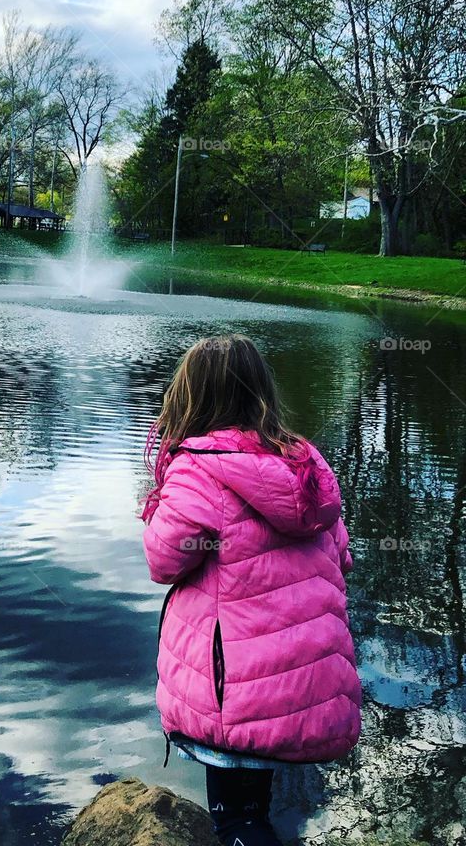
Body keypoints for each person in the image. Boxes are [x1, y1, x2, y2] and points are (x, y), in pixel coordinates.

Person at [140, 334, 361, 846]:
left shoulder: (198, 470)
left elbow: (164, 559)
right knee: (253, 808)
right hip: (300, 685)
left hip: (236, 690)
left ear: (189, 398)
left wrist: (156, 507)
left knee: (236, 822)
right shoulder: (307, 470)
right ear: (261, 391)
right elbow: (342, 559)